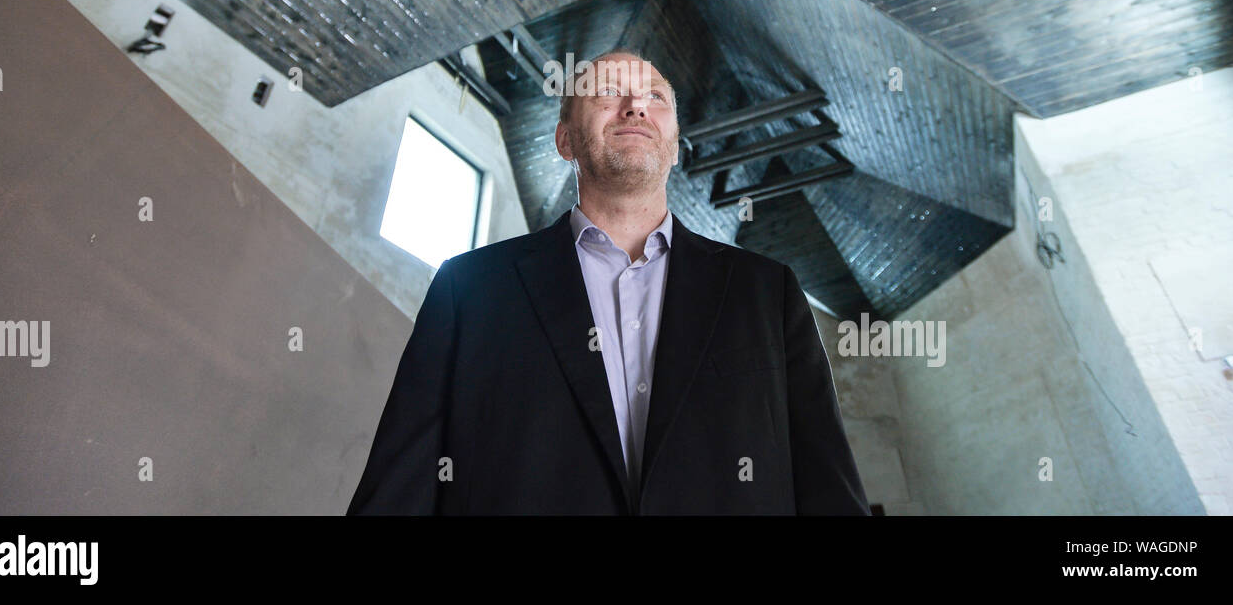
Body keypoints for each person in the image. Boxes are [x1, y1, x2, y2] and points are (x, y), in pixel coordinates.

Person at [347, 50, 870, 514]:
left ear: (674, 143)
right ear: (565, 139)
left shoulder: (769, 293)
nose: (635, 107)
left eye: (654, 97)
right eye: (607, 94)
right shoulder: (468, 288)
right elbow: (400, 486)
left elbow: (827, 484)